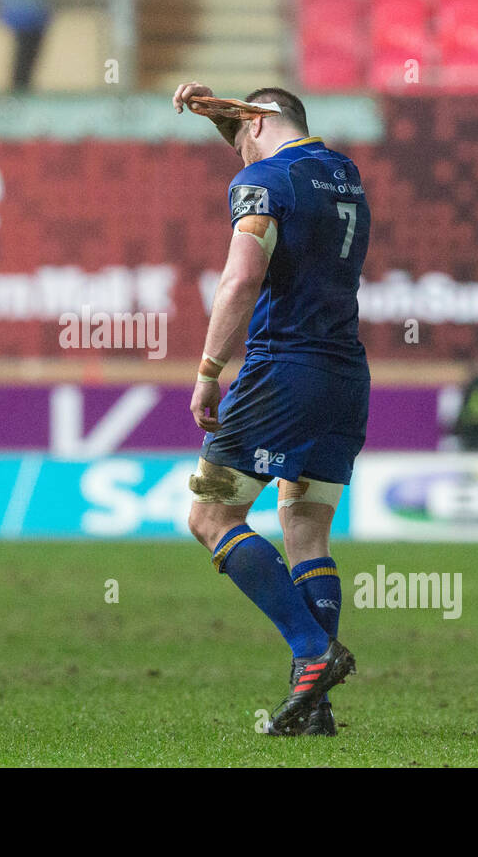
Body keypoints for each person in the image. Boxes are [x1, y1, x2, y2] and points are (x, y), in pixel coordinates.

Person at [172, 82, 373, 736]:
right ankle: (313, 707)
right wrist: (217, 109)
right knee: (305, 529)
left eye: (240, 145)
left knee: (210, 513)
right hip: (344, 379)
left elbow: (240, 279)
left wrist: (208, 372)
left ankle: (313, 651)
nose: (240, 165)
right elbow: (269, 126)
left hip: (279, 374)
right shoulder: (344, 175)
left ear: (256, 125)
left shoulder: (263, 181)